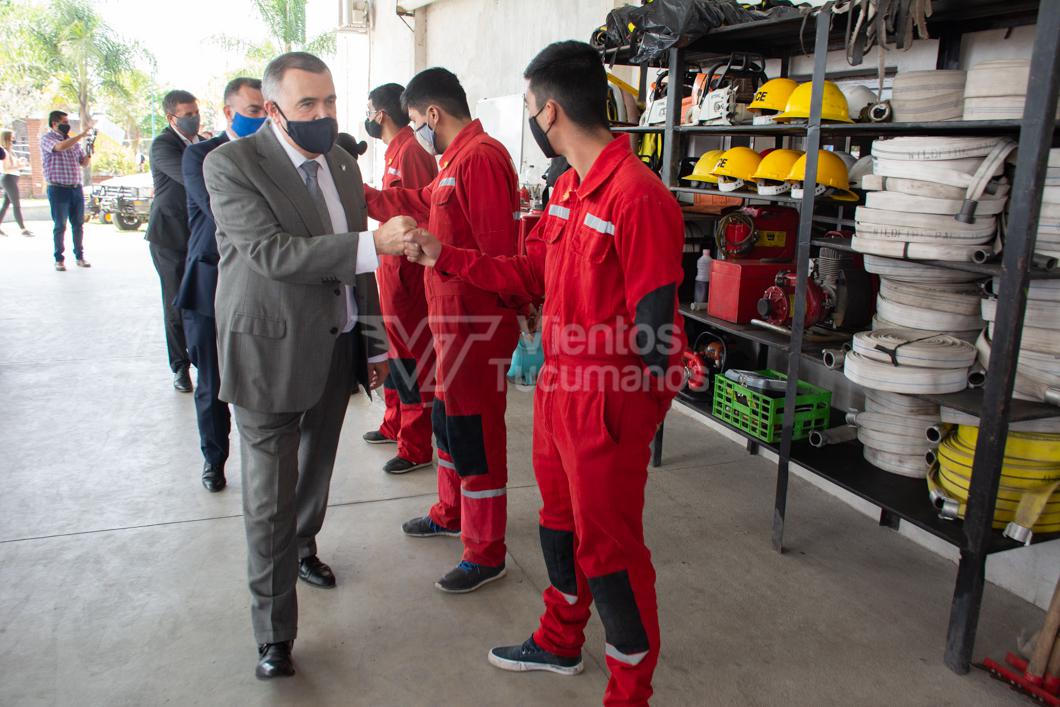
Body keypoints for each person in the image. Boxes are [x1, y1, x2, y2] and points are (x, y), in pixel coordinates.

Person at [403, 41, 686, 706]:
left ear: (550, 110)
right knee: (556, 527)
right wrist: (446, 254)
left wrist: (627, 429)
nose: (530, 118)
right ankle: (560, 639)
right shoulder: (565, 189)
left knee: (611, 556)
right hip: (559, 397)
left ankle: (628, 692)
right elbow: (528, 276)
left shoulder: (638, 199)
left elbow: (659, 338)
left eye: (529, 107)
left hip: (605, 411)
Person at [203, 51, 414, 680]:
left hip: (336, 342)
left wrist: (374, 342)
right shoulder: (231, 165)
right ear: (272, 110)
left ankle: (302, 548)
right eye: (307, 106)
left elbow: (359, 267)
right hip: (268, 350)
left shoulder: (343, 164)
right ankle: (274, 634)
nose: (322, 116)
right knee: (268, 495)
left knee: (315, 469)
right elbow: (271, 253)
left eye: (330, 103)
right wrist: (375, 242)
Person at [365, 68, 522, 594]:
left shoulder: (482, 158)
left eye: (416, 122)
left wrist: (440, 254)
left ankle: (485, 551)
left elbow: (500, 255)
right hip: (446, 323)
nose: (416, 132)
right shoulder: (452, 161)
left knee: (476, 436)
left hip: (476, 326)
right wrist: (359, 196)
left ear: (432, 114)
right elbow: (413, 202)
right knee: (446, 423)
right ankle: (450, 510)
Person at [176, 77, 266, 493]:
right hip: (210, 282)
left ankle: (265, 472)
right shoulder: (200, 156)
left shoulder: (273, 155)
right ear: (229, 112)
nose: (262, 117)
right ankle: (214, 460)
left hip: (259, 285)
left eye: (267, 109)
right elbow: (224, 214)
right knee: (212, 384)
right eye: (253, 110)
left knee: (261, 386)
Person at [360, 82, 438, 475]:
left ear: (381, 114)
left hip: (406, 279)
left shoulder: (411, 153)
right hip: (389, 274)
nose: (368, 117)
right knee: (393, 355)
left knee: (411, 361)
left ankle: (415, 444)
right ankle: (394, 423)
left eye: (369, 110)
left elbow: (415, 214)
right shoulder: (395, 151)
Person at [145, 89, 204, 394]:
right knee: (175, 302)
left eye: (196, 112)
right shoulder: (163, 146)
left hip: (198, 235)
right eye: (187, 115)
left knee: (202, 299)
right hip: (169, 237)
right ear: (171, 118)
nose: (194, 118)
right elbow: (192, 175)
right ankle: (180, 367)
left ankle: (204, 359)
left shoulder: (202, 143)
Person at [39, 110, 92, 270]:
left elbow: (83, 163)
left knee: (78, 224)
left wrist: (89, 150)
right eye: (64, 122)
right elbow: (60, 147)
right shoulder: (47, 139)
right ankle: (59, 259)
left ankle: (80, 256)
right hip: (58, 189)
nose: (67, 125)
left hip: (75, 188)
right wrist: (81, 135)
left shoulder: (73, 142)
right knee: (60, 225)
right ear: (54, 123)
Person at [0, 129, 33, 236]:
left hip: (12, 178)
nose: (13, 139)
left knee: (6, 204)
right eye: (12, 137)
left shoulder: (11, 151)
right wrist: (20, 165)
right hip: (8, 178)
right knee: (16, 204)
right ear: (7, 138)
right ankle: (23, 229)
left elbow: (12, 165)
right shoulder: (4, 151)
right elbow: (6, 168)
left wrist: (20, 162)